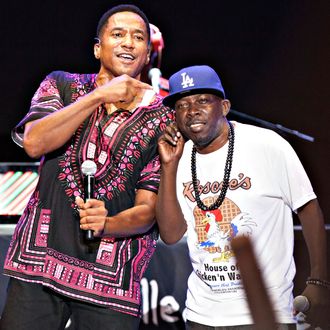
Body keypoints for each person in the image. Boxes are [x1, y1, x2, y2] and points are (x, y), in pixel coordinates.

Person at [0, 4, 175, 330]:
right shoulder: (61, 85)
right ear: (98, 47)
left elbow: (148, 212)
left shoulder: (162, 118)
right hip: (38, 268)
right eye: (118, 34)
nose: (128, 43)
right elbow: (34, 142)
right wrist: (98, 95)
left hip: (111, 284)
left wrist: (107, 223)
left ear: (147, 55)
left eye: (138, 38)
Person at [156, 65, 329, 329]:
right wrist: (168, 166)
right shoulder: (179, 157)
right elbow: (170, 235)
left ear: (224, 107)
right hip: (200, 315)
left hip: (263, 312)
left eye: (203, 100)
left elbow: (308, 208)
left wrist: (318, 280)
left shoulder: (267, 145)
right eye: (182, 105)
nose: (192, 111)